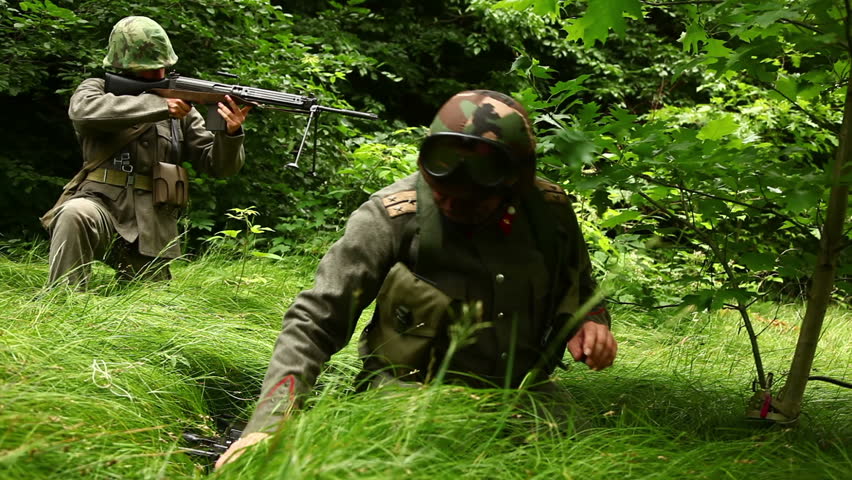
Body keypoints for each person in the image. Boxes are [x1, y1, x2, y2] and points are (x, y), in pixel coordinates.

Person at [216, 90, 617, 468]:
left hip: (525, 401)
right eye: (441, 191)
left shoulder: (549, 211)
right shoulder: (392, 218)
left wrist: (592, 320)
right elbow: (315, 320)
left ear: (516, 180)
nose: (451, 204)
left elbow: (580, 282)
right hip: (406, 405)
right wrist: (268, 426)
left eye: (471, 200)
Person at [41, 16, 251, 287]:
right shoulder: (96, 89)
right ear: (123, 66)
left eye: (163, 66)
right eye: (148, 68)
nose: (159, 74)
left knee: (148, 309)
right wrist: (159, 106)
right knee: (74, 213)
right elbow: (83, 115)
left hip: (151, 225)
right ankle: (62, 301)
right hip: (99, 206)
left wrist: (230, 133)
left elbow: (219, 166)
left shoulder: (184, 110)